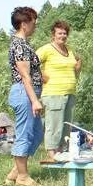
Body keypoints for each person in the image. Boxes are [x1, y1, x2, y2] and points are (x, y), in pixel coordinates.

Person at [5, 6, 43, 186]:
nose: (35, 25)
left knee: (36, 134)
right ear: (23, 24)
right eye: (33, 21)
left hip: (30, 92)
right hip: (24, 93)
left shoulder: (25, 43)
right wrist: (34, 100)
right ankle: (22, 177)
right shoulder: (19, 45)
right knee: (25, 133)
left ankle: (16, 171)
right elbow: (25, 75)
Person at [36, 20, 82, 159]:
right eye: (60, 33)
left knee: (66, 125)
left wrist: (78, 67)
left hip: (70, 92)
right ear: (53, 35)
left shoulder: (69, 50)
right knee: (54, 125)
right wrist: (40, 75)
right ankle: (52, 154)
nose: (63, 35)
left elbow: (75, 72)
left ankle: (62, 152)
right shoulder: (47, 49)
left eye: (65, 33)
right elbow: (31, 63)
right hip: (54, 93)